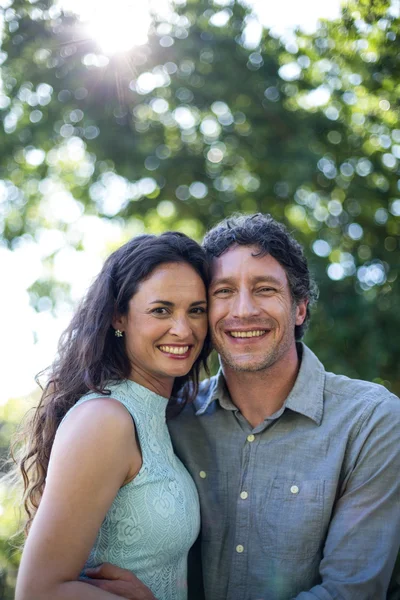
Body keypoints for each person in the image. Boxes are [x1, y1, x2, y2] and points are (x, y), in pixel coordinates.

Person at [89, 213, 400, 600]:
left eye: (265, 289)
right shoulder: (172, 420)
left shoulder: (371, 421)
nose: (243, 310)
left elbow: (349, 593)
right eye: (222, 292)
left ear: (300, 307)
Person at [14, 231, 211, 600]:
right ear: (119, 316)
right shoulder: (105, 420)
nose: (183, 329)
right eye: (161, 310)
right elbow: (38, 591)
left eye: (196, 310)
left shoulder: (159, 415)